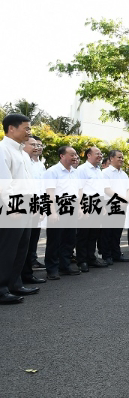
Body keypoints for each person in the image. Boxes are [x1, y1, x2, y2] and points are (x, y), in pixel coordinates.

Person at [0, 114, 39, 304]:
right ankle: (1, 288)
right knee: (8, 247)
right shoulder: (3, 149)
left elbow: (27, 182)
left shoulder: (23, 153)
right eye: (26, 128)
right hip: (13, 202)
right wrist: (11, 205)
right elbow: (5, 182)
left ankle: (15, 283)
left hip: (26, 200)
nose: (29, 132)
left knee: (22, 246)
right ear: (11, 129)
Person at [43, 146, 84, 279]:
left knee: (70, 237)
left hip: (72, 205)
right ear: (62, 156)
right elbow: (50, 193)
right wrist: (52, 212)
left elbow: (78, 192)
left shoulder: (75, 172)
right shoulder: (53, 171)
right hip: (59, 205)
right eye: (71, 154)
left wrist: (79, 208)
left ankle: (64, 265)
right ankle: (52, 269)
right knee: (55, 238)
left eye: (75, 154)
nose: (74, 157)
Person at [76, 147, 108, 272]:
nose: (100, 156)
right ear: (88, 155)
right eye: (97, 154)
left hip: (98, 202)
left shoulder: (98, 170)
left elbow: (99, 189)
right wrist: (82, 207)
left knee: (94, 232)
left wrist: (103, 206)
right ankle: (82, 260)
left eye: (101, 153)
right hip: (87, 201)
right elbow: (80, 189)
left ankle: (91, 258)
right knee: (83, 233)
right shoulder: (82, 169)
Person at [21, 136, 46, 284]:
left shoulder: (39, 164)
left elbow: (39, 187)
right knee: (21, 242)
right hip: (22, 203)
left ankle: (27, 273)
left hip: (36, 204)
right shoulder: (22, 161)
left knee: (32, 241)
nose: (37, 147)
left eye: (38, 145)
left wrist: (41, 206)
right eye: (33, 144)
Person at [101, 150, 129, 266]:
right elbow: (107, 189)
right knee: (107, 231)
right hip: (110, 203)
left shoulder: (123, 174)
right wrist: (123, 199)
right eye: (119, 157)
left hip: (123, 205)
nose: (121, 159)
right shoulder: (105, 172)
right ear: (111, 159)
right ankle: (106, 255)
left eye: (122, 157)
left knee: (118, 231)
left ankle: (116, 254)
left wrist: (126, 199)